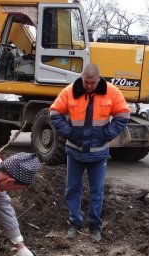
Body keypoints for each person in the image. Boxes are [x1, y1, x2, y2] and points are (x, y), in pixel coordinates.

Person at [49, 63, 130, 242]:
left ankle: (94, 225)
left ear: (99, 79)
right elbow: (55, 112)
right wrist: (69, 132)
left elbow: (123, 114)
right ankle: (75, 223)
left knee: (97, 191)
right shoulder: (71, 91)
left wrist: (107, 134)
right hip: (74, 151)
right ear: (82, 77)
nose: (89, 86)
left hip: (98, 153)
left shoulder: (112, 92)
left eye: (92, 83)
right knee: (73, 189)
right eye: (86, 82)